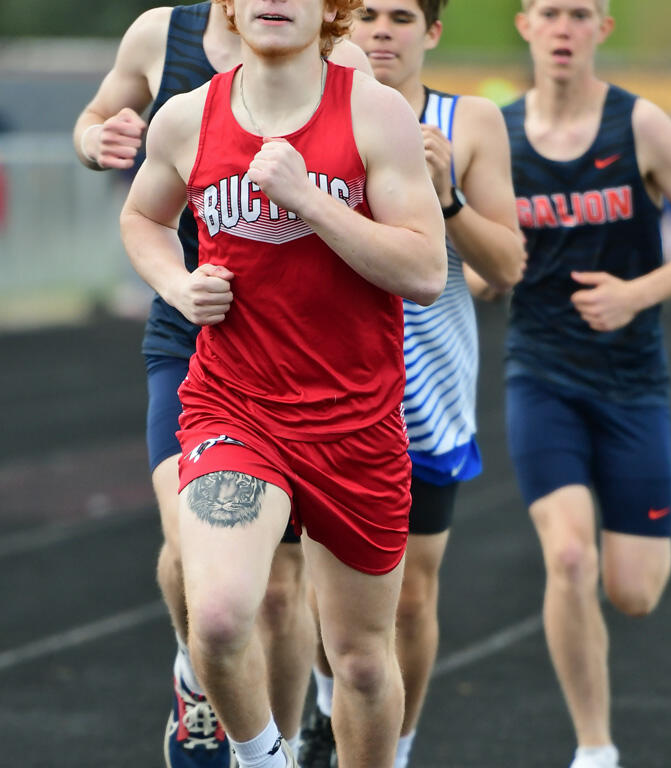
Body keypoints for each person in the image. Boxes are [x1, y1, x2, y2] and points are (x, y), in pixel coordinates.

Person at [119, 0, 447, 766]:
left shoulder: (375, 114)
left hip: (355, 423)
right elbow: (143, 218)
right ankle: (264, 757)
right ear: (230, 6)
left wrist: (308, 199)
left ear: (330, 9)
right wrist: (177, 284)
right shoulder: (187, 118)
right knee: (220, 618)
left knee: (360, 661)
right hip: (234, 407)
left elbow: (426, 270)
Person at [72, 4, 373, 766]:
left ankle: (272, 745)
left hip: (302, 351)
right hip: (193, 330)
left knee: (280, 588)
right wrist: (95, 139)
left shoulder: (336, 58)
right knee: (192, 546)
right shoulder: (161, 34)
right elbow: (98, 120)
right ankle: (197, 672)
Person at [502, 2, 671, 767]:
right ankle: (595, 748)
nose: (564, 27)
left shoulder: (638, 125)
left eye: (580, 13)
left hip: (632, 381)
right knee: (570, 557)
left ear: (602, 28)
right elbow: (476, 257)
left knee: (634, 592)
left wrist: (636, 294)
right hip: (541, 375)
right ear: (525, 24)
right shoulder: (497, 136)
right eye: (550, 12)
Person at [297, 2, 525, 766]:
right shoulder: (301, 109)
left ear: (431, 32)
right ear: (341, 25)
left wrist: (447, 195)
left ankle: (395, 750)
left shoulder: (470, 123)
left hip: (426, 396)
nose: (382, 30)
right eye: (366, 13)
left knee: (412, 597)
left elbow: (506, 269)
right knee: (318, 597)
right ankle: (326, 710)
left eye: (402, 16)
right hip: (320, 384)